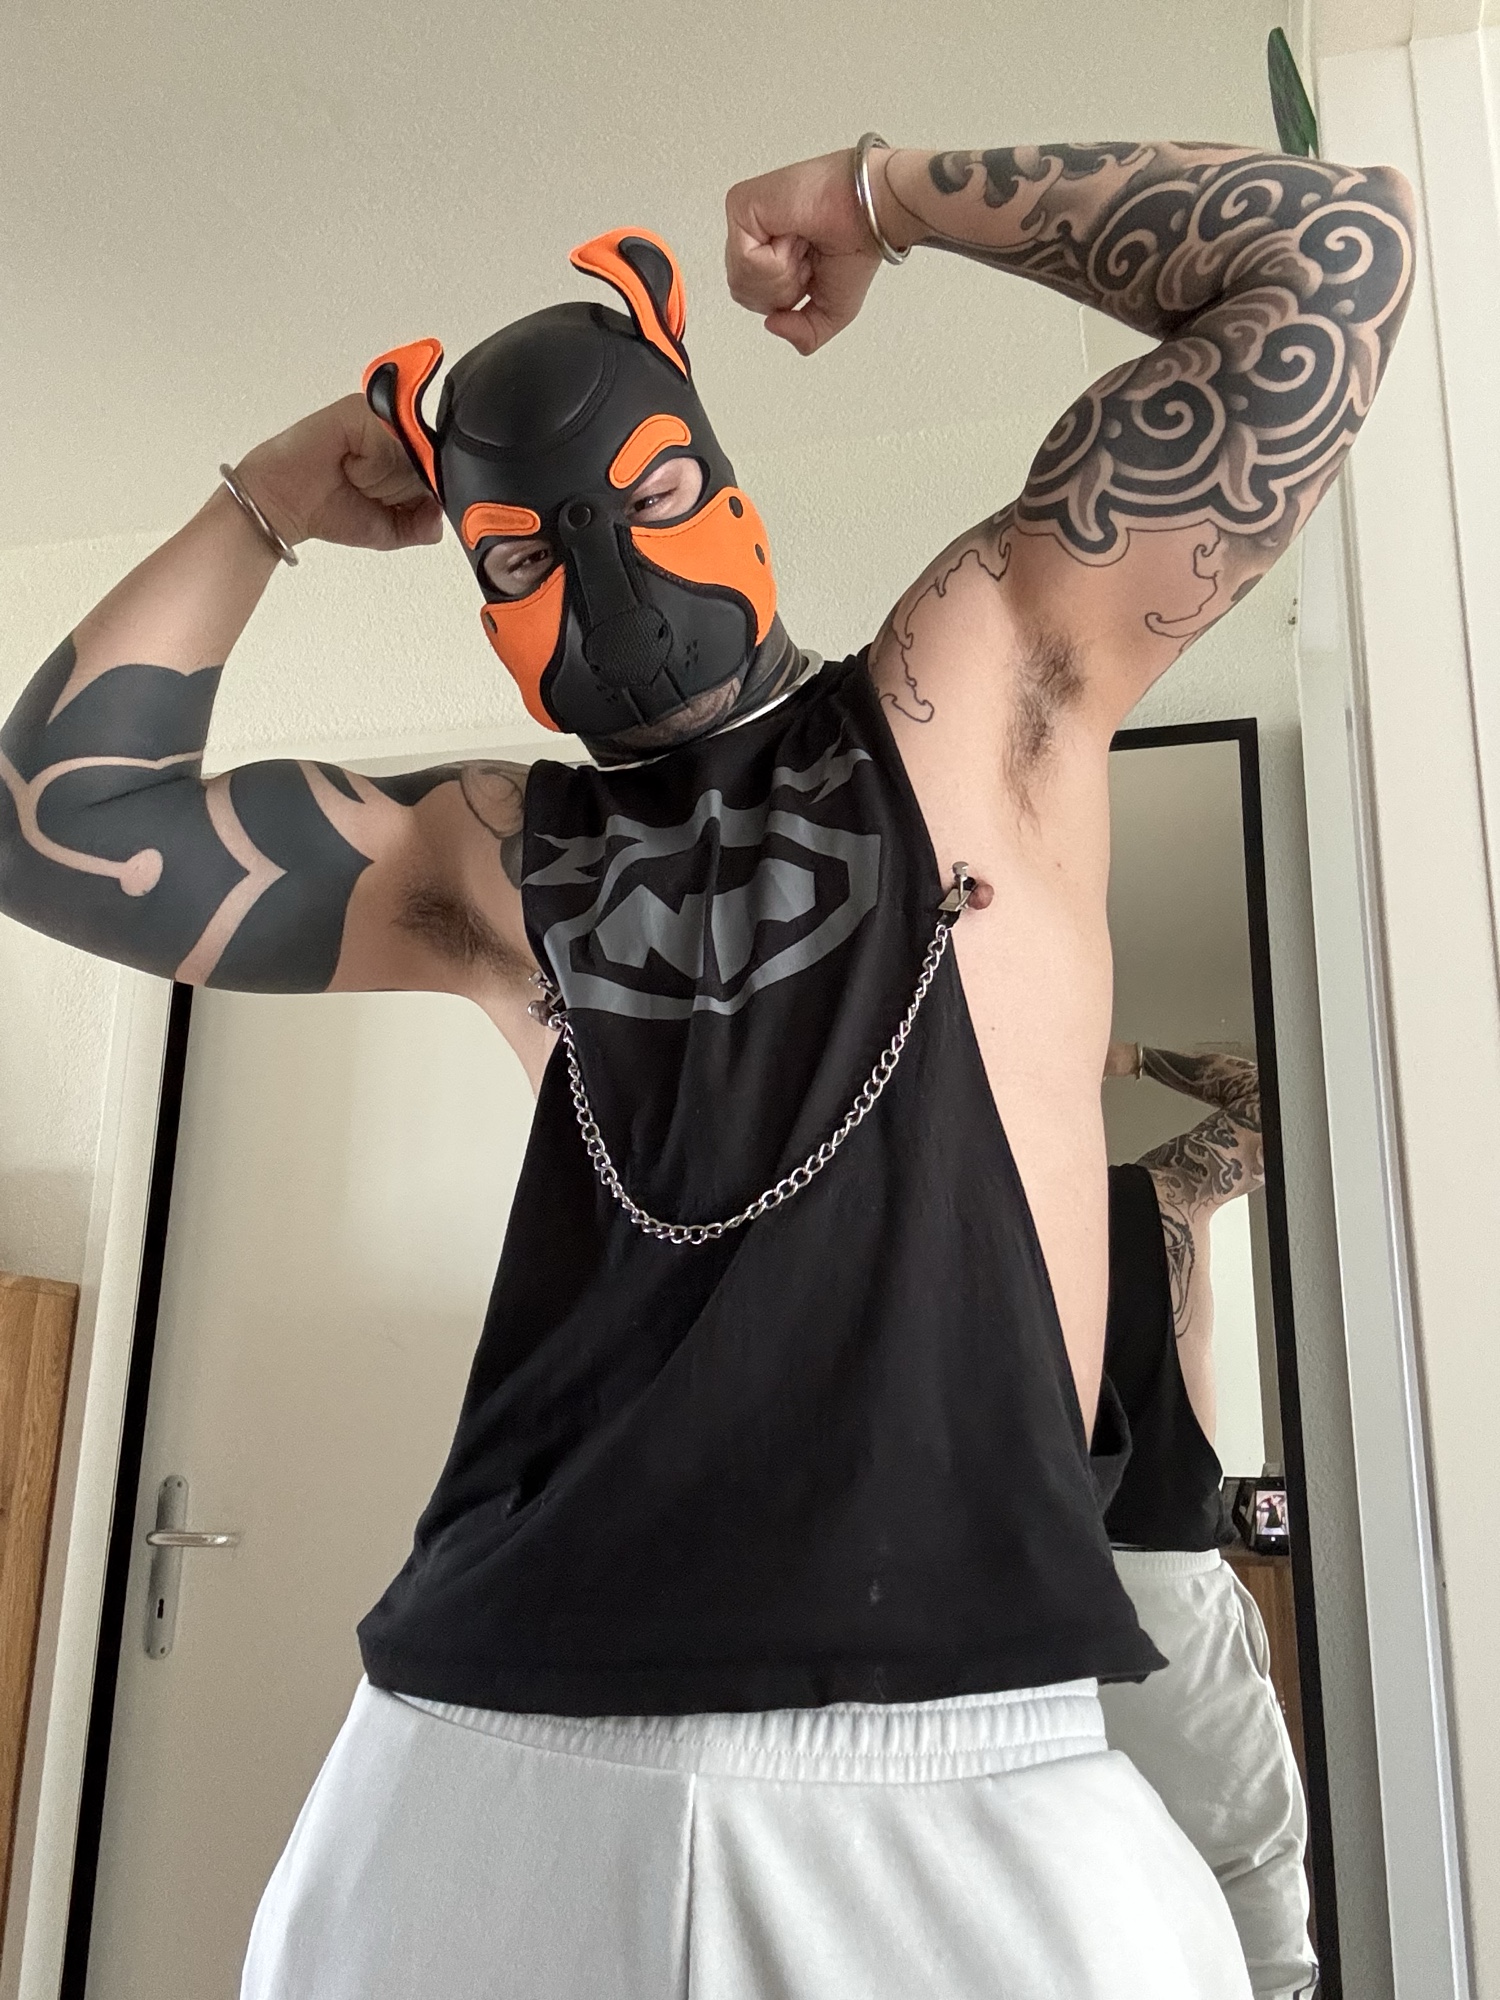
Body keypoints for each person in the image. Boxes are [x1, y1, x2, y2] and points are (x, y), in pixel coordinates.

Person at [0, 134, 1412, 1998]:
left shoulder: (976, 680)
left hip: (962, 1739)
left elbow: (1332, 252)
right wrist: (269, 496)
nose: (603, 562)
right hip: (483, 1745)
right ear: (484, 602)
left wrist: (891, 194)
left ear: (729, 483)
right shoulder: (492, 857)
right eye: (524, 551)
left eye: (652, 489)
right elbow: (62, 826)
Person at [1098, 1042, 1317, 2000]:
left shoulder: (958, 1205)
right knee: (1247, 1878)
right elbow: (1274, 1102)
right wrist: (1136, 1056)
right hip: (1162, 1600)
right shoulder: (1157, 1200)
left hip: (998, 1580)